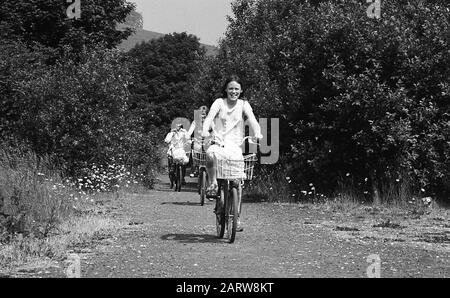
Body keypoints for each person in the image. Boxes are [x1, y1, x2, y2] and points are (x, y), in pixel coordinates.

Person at [201, 75, 263, 231]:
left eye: (236, 89)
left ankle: (236, 217)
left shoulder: (244, 104)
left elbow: (253, 120)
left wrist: (258, 132)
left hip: (235, 145)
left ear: (241, 90)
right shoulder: (219, 102)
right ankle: (213, 183)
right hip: (219, 141)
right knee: (210, 154)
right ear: (225, 90)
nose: (233, 91)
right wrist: (204, 130)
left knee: (237, 182)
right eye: (230, 88)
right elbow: (209, 118)